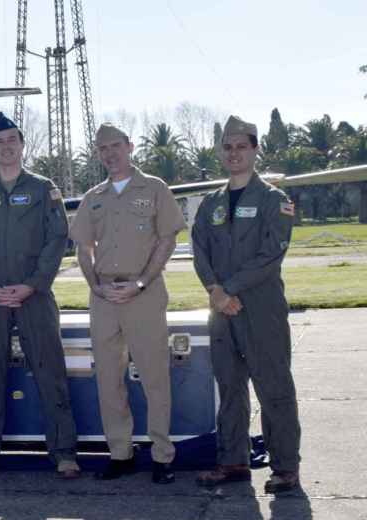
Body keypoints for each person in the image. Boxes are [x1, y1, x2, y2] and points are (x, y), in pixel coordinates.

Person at [0, 112, 80, 479]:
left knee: (50, 372)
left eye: (12, 140)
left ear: (23, 145)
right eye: (0, 142)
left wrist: (33, 284)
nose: (6, 147)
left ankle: (63, 453)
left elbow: (57, 238)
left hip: (36, 296)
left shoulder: (45, 189)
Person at [69, 122, 186, 484]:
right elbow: (83, 248)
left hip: (144, 294)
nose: (110, 153)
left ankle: (162, 456)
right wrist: (95, 286)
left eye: (116, 146)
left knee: (154, 378)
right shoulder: (94, 197)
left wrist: (140, 282)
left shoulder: (154, 189)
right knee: (108, 379)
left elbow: (167, 240)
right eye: (103, 148)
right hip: (104, 297)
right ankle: (120, 453)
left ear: (130, 146)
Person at [192, 116, 301, 494]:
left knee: (273, 387)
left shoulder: (275, 200)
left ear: (255, 149)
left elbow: (273, 253)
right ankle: (233, 460)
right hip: (221, 311)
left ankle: (286, 467)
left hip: (261, 308)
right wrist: (215, 290)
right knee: (230, 388)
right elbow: (200, 250)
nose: (234, 153)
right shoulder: (210, 204)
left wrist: (229, 289)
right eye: (228, 147)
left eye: (241, 146)